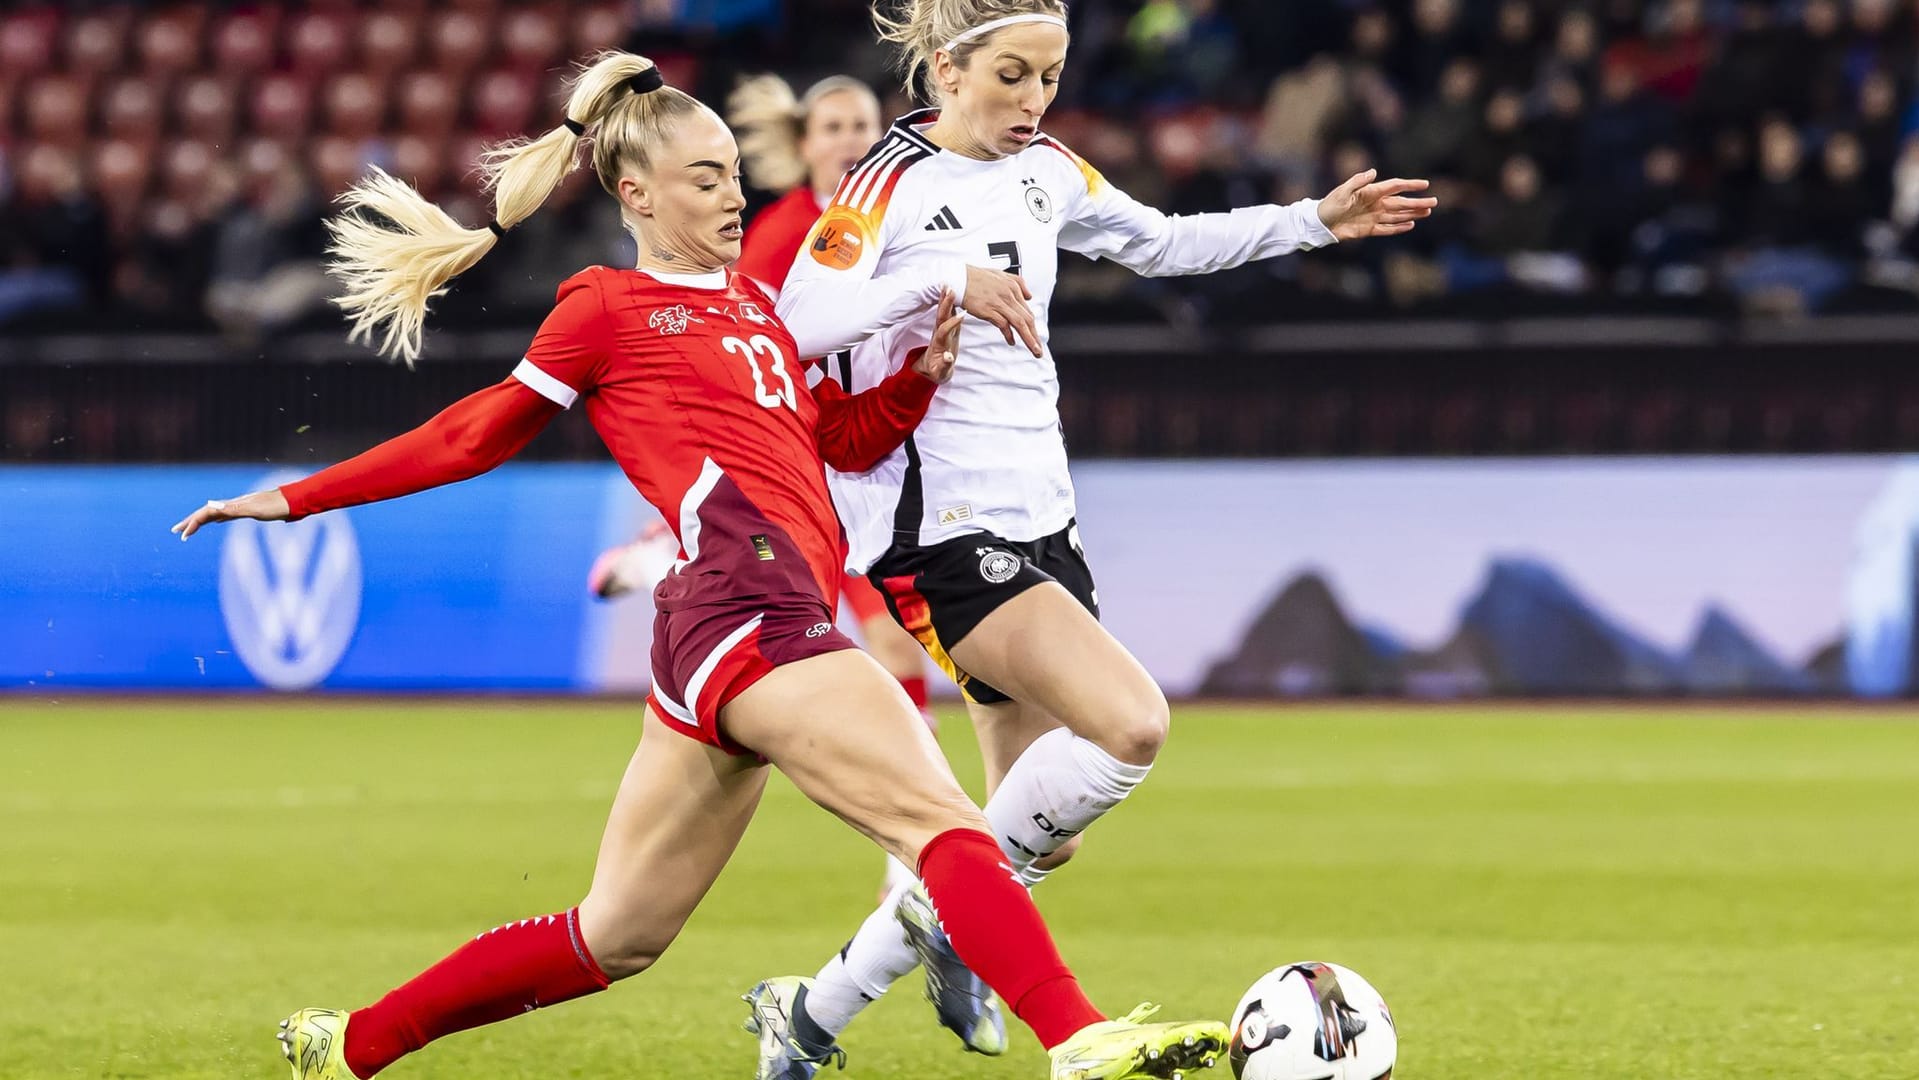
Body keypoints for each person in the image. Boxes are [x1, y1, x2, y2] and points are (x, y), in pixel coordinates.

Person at [169, 49, 1226, 1080]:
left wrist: (912, 386)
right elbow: (475, 433)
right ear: (635, 191)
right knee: (945, 825)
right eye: (706, 177)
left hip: (717, 629)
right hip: (749, 603)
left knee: (616, 935)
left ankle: (347, 1046)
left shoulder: (756, 308)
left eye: (733, 173)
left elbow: (832, 448)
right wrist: (295, 497)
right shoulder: (604, 306)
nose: (734, 196)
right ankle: (1080, 1041)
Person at [743, 2, 1438, 1076]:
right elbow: (798, 323)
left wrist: (1312, 221)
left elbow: (1161, 244)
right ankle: (1060, 1029)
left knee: (1027, 846)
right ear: (946, 68)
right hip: (941, 538)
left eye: (1051, 80)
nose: (1033, 103)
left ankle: (811, 1012)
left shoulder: (1051, 171)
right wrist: (946, 278)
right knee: (1132, 723)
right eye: (1012, 76)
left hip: (1045, 526)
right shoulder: (883, 184)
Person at [592, 69, 942, 786]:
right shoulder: (780, 237)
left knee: (900, 653)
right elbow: (736, 362)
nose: (851, 141)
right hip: (805, 467)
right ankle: (670, 545)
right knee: (889, 650)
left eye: (863, 126)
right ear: (806, 144)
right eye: (834, 127)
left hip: (870, 456)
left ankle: (909, 854)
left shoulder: (899, 222)